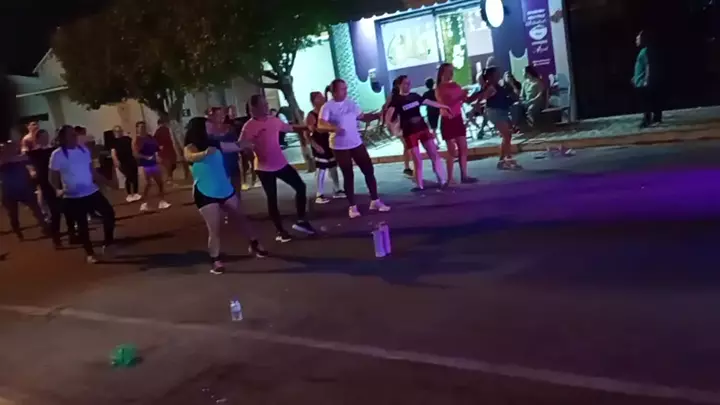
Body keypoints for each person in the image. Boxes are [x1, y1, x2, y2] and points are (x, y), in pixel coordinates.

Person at [184, 116, 268, 274]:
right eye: (208, 125)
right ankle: (216, 260)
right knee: (214, 228)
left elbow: (235, 146)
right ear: (199, 129)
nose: (211, 127)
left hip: (224, 189)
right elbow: (190, 156)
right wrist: (204, 154)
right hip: (205, 192)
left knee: (241, 217)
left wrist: (248, 143)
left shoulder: (215, 143)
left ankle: (254, 244)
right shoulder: (191, 146)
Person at [241, 95, 317, 242]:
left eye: (266, 104)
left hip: (281, 164)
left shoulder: (273, 120)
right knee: (272, 198)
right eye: (263, 105)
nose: (266, 106)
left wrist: (307, 127)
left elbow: (290, 127)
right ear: (254, 108)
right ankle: (280, 231)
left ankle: (301, 221)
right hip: (264, 168)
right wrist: (249, 149)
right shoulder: (249, 126)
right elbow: (242, 144)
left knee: (300, 187)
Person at [318, 79, 390, 219]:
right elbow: (321, 124)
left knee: (368, 170)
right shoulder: (327, 107)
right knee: (348, 174)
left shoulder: (351, 103)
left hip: (356, 142)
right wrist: (333, 128)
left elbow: (362, 117)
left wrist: (377, 115)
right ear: (334, 92)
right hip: (340, 146)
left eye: (346, 88)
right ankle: (352, 206)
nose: (346, 91)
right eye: (342, 89)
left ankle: (375, 200)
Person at [49, 125, 116, 263]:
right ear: (63, 138)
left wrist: (108, 182)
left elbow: (93, 172)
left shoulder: (83, 150)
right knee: (82, 224)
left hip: (91, 191)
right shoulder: (57, 155)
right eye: (71, 135)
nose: (75, 137)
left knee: (109, 213)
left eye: (75, 134)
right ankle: (90, 253)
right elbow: (52, 176)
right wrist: (57, 190)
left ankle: (108, 243)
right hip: (74, 196)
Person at [386, 75, 450, 191]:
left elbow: (429, 102)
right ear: (399, 85)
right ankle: (419, 185)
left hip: (422, 128)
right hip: (410, 133)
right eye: (405, 83)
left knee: (434, 154)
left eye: (409, 83)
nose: (408, 85)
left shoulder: (415, 96)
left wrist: (444, 106)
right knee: (417, 159)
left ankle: (442, 180)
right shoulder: (396, 100)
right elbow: (388, 116)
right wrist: (394, 129)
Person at [435, 63, 484, 184]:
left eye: (452, 71)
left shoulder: (455, 85)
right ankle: (450, 178)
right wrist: (461, 96)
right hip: (447, 119)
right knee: (452, 150)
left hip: (457, 118)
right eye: (449, 71)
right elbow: (446, 103)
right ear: (442, 73)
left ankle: (464, 176)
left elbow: (466, 99)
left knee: (463, 147)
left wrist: (480, 93)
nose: (451, 73)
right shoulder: (440, 88)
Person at [26, 129, 75, 247]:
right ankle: (56, 239)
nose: (45, 139)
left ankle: (72, 235)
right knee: (55, 211)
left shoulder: (54, 150)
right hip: (47, 184)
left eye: (46, 136)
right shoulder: (34, 153)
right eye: (43, 137)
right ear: (37, 139)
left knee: (69, 209)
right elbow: (30, 165)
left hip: (60, 182)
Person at [1, 139, 49, 241]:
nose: (13, 149)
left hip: (24, 189)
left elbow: (31, 165)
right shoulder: (4, 160)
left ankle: (44, 227)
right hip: (9, 192)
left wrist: (32, 171)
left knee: (36, 209)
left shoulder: (22, 158)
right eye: (10, 147)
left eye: (14, 147)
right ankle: (17, 231)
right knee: (13, 215)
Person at [306, 91, 343, 204]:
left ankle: (337, 189)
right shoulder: (311, 115)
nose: (322, 98)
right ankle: (319, 194)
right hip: (319, 144)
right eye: (319, 97)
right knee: (321, 168)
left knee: (333, 166)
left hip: (329, 143)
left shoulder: (326, 112)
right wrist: (315, 145)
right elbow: (308, 133)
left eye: (322, 96)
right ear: (314, 101)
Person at [482, 66, 522, 170]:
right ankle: (505, 160)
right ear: (491, 76)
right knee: (507, 135)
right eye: (496, 73)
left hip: (501, 111)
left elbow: (512, 96)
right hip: (495, 112)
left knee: (507, 135)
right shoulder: (490, 86)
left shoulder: (498, 85)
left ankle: (504, 159)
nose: (499, 75)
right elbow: (483, 97)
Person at [133, 121, 171, 212]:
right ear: (137, 128)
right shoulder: (137, 140)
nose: (143, 128)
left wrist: (159, 152)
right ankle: (144, 204)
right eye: (141, 127)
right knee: (147, 184)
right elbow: (136, 154)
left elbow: (156, 147)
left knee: (160, 182)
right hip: (144, 165)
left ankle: (162, 201)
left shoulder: (150, 137)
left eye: (144, 127)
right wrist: (146, 157)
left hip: (153, 163)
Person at [382, 82, 414, 179]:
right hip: (399, 125)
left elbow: (384, 109)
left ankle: (408, 166)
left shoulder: (392, 98)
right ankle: (408, 166)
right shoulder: (396, 98)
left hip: (399, 125)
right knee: (408, 145)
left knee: (407, 145)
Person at [633, 30, 662, 128]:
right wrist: (635, 77)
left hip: (643, 82)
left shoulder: (645, 51)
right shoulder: (643, 51)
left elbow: (648, 65)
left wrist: (646, 80)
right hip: (639, 80)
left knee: (647, 102)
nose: (636, 40)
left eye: (638, 39)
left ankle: (648, 120)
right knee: (646, 101)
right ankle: (650, 119)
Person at [110, 125, 141, 202]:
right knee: (129, 176)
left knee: (135, 176)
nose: (118, 132)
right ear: (114, 132)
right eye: (116, 131)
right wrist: (116, 161)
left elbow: (133, 148)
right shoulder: (113, 142)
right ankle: (129, 194)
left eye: (119, 131)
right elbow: (113, 153)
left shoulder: (127, 138)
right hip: (123, 162)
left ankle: (136, 193)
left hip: (131, 159)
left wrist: (136, 157)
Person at [154, 116, 180, 187]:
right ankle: (169, 179)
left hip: (169, 150)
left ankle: (169, 178)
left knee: (171, 165)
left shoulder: (165, 129)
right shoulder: (160, 130)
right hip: (165, 151)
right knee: (169, 165)